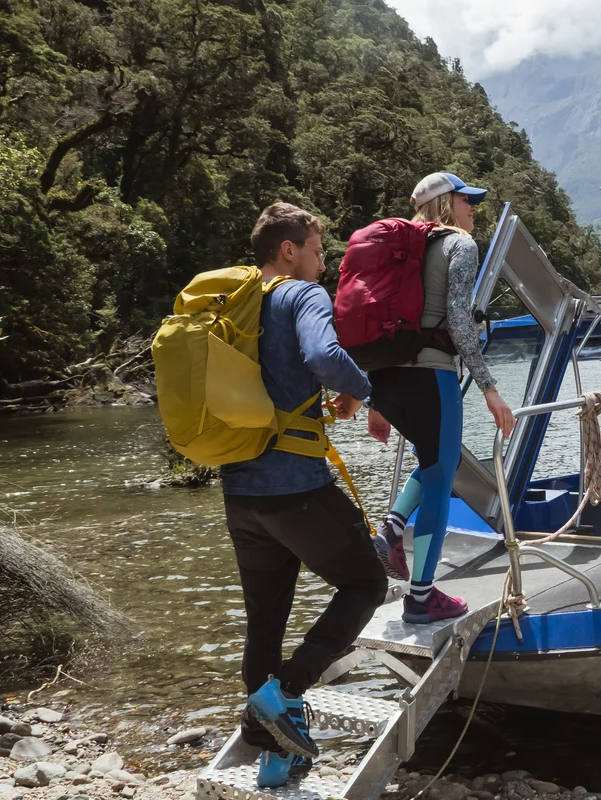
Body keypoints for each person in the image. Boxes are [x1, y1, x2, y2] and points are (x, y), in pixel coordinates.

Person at [223, 203, 386, 788]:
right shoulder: (299, 295)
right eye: (318, 250)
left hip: (240, 492)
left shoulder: (235, 304)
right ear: (287, 251)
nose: (324, 261)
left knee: (264, 622)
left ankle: (274, 757)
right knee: (367, 583)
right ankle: (287, 692)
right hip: (295, 488)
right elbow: (323, 356)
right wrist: (364, 393)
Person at [368, 172, 516, 624]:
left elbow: (380, 319)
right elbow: (458, 323)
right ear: (446, 204)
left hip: (388, 378)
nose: (474, 207)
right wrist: (490, 388)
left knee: (434, 464)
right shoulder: (459, 246)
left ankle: (390, 530)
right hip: (431, 376)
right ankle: (421, 597)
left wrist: (375, 400)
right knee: (441, 481)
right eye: (467, 200)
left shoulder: (401, 249)